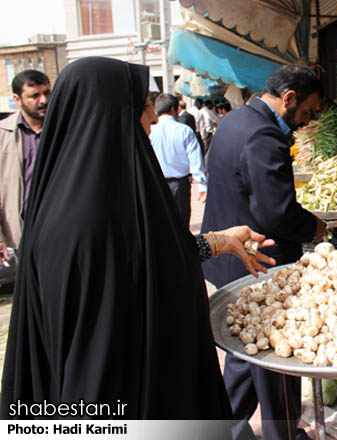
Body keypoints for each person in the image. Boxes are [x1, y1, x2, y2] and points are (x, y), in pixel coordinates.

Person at [0, 57, 275, 420]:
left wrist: (218, 242)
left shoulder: (103, 200)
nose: (153, 117)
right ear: (108, 113)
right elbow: (97, 354)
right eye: (143, 105)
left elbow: (147, 261)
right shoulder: (86, 222)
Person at [202, 63, 326, 440]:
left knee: (243, 349)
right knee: (275, 358)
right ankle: (281, 434)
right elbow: (276, 211)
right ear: (288, 98)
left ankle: (229, 427)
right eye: (306, 112)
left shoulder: (235, 121)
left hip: (230, 259)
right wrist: (314, 226)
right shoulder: (264, 135)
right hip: (257, 262)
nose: (305, 121)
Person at [0, 70, 51, 265]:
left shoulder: (65, 131)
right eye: (34, 96)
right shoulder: (3, 135)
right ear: (17, 99)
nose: (43, 100)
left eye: (47, 93)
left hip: (62, 229)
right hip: (22, 234)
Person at [150, 93, 208, 225]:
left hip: (156, 184)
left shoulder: (150, 131)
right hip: (180, 185)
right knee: (181, 224)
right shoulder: (185, 131)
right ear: (173, 109)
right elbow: (195, 160)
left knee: (160, 223)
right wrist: (202, 185)